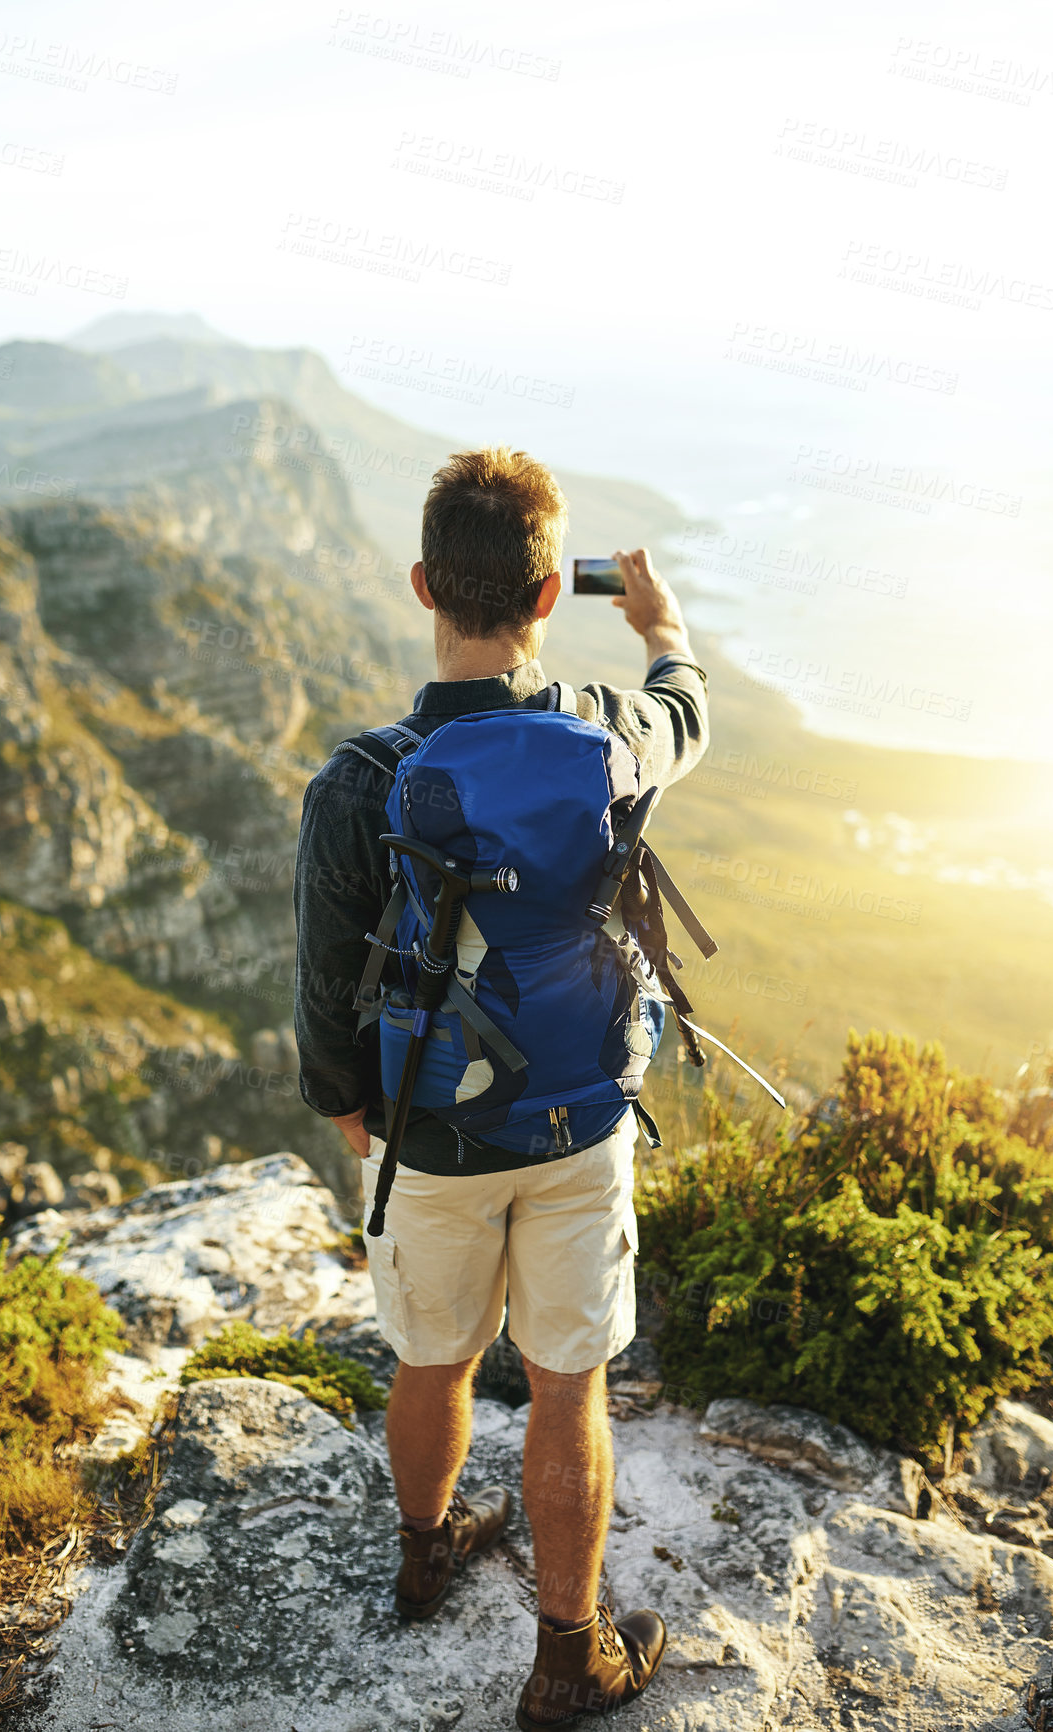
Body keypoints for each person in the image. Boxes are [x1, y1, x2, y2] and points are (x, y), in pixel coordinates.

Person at [293, 447, 709, 1728]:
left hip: (430, 1129)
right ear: (545, 600)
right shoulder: (602, 732)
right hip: (581, 1122)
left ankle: (424, 1556)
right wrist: (660, 625)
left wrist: (354, 1113)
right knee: (568, 1383)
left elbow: (321, 980)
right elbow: (685, 713)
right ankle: (566, 1655)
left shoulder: (361, 780)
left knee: (434, 1358)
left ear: (424, 583)